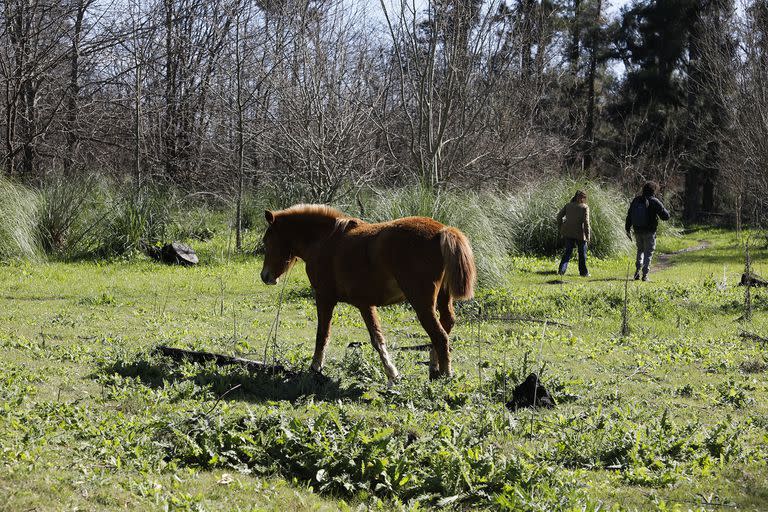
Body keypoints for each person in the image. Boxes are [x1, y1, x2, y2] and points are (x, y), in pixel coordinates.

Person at [625, 181, 671, 281]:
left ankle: (637, 271)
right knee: (648, 253)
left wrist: (627, 229)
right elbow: (665, 216)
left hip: (637, 230)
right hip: (650, 231)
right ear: (654, 190)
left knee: (640, 250)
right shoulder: (654, 201)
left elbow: (629, 215)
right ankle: (645, 275)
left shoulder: (636, 200)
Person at [556, 190, 591, 277]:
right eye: (583, 197)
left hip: (568, 232)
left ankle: (561, 271)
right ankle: (584, 273)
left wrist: (561, 227)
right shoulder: (584, 207)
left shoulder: (568, 205)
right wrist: (588, 236)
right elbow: (586, 223)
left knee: (567, 252)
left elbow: (559, 216)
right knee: (582, 254)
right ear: (582, 198)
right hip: (580, 233)